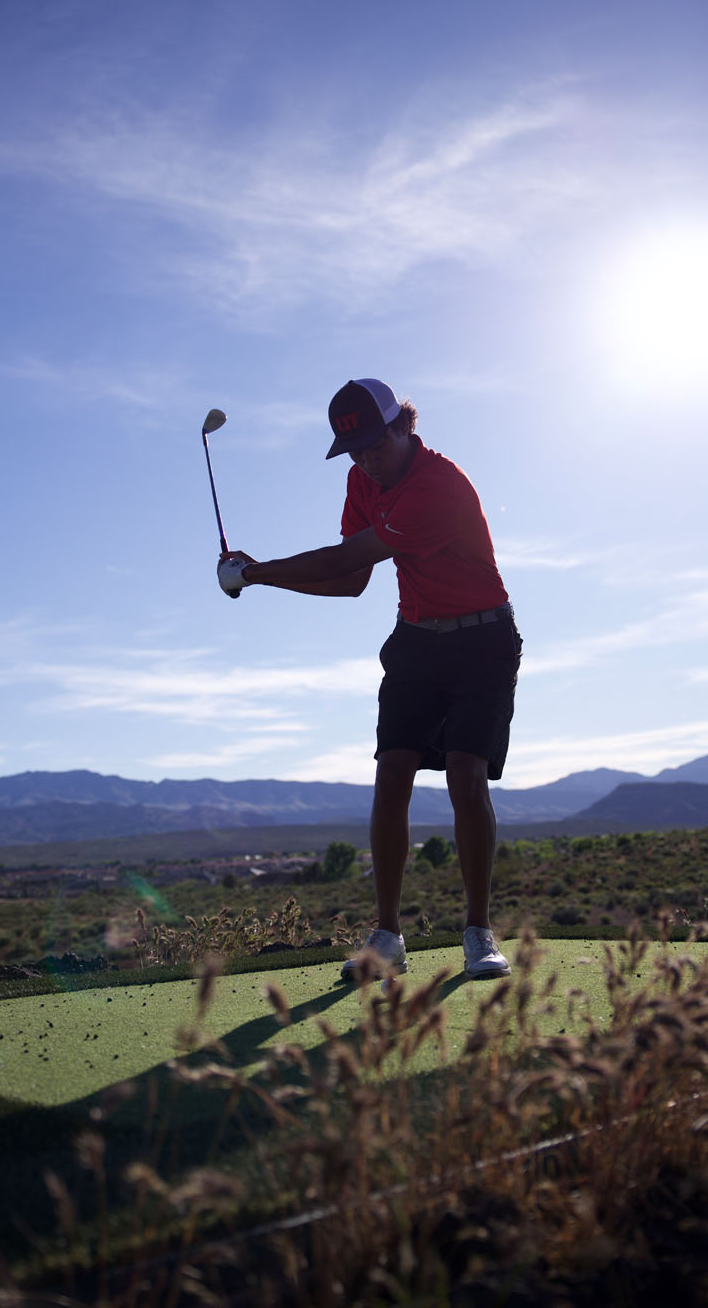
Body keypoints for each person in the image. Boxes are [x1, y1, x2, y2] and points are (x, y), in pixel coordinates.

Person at [216, 378, 521, 980]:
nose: (365, 461)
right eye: (353, 451)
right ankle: (387, 938)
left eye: (375, 446)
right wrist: (262, 577)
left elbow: (344, 562)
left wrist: (256, 573)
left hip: (482, 639)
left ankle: (479, 934)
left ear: (404, 427)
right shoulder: (363, 479)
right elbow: (353, 581)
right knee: (392, 771)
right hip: (415, 638)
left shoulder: (437, 485)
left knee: (465, 773)